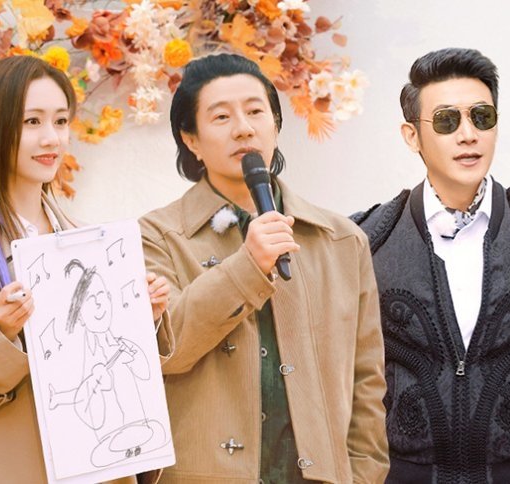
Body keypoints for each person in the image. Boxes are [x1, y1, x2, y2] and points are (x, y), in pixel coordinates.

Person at [0, 55, 170, 483]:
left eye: (61, 121)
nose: (52, 138)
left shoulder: (91, 245)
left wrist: (143, 319)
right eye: (32, 121)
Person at [139, 53, 389, 483]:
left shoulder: (340, 240)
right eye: (221, 117)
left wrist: (363, 475)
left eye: (256, 112)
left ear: (275, 124)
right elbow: (166, 351)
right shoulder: (155, 237)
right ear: (191, 139)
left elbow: (366, 380)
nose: (243, 128)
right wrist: (247, 265)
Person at [353, 47, 510, 483]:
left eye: (482, 117)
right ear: (412, 136)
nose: (468, 135)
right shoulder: (363, 242)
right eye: (446, 121)